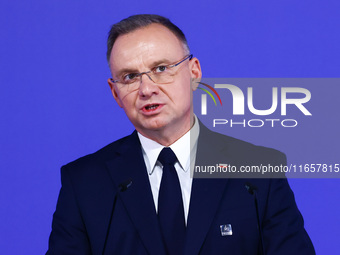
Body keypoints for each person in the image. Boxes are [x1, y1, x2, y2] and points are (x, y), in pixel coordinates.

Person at [46, 14, 315, 255]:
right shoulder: (84, 183)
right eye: (129, 77)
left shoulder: (258, 172)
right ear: (115, 92)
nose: (146, 89)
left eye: (161, 69)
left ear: (194, 72)